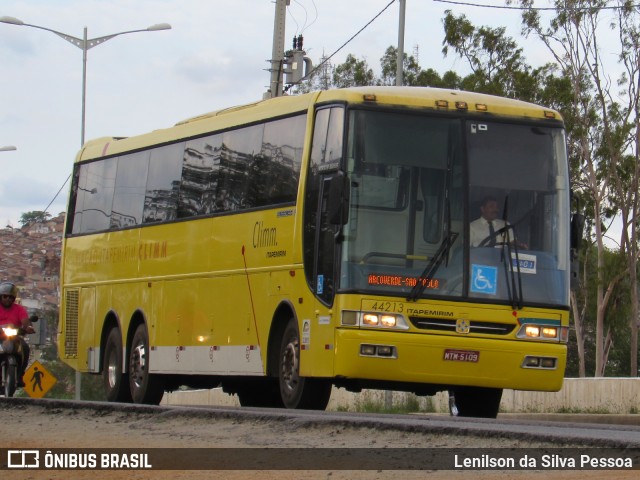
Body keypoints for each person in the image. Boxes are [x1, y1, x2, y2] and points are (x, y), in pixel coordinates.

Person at [0, 282, 35, 387]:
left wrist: (28, 327)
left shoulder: (19, 309)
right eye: (5, 296)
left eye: (11, 297)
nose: (8, 299)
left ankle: (20, 375)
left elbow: (25, 321)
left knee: (25, 348)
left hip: (14, 337)